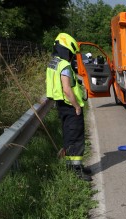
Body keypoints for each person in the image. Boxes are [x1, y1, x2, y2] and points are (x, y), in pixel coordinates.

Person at [45, 33, 91, 181]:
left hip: (60, 105)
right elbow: (66, 88)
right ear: (66, 50)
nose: (71, 56)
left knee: (68, 136)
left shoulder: (53, 63)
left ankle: (72, 166)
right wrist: (77, 106)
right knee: (76, 138)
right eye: (71, 53)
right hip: (70, 105)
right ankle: (77, 171)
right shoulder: (64, 65)